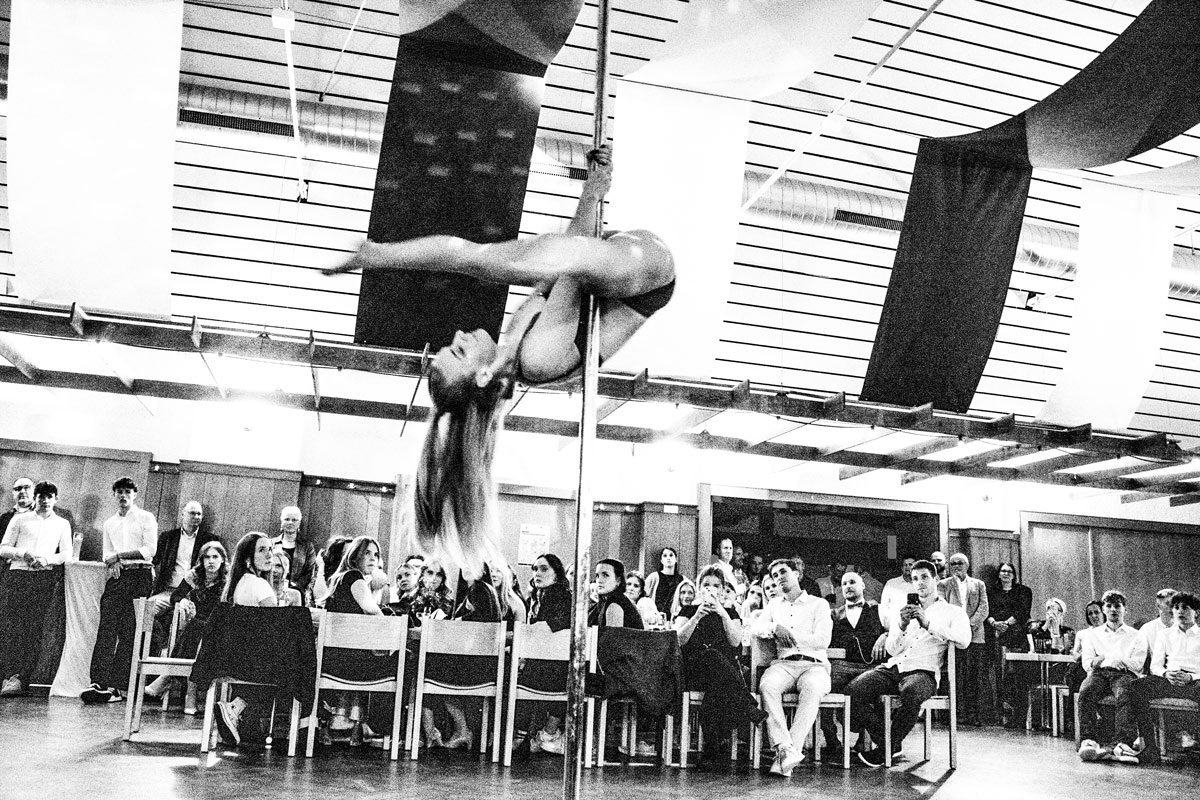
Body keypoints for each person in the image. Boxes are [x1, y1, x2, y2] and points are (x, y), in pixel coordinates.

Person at [327, 147, 674, 572]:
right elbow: (572, 262)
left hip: (611, 259)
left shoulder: (514, 345)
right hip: (648, 271)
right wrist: (591, 195)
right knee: (491, 260)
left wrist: (591, 193)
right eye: (459, 351)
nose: (458, 335)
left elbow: (570, 256)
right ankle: (379, 255)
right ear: (482, 376)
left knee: (485, 259)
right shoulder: (538, 360)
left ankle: (377, 254)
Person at [847, 559, 970, 767]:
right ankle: (891, 744)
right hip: (894, 667)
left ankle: (885, 749)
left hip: (923, 672)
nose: (919, 582)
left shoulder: (952, 612)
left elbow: (964, 640)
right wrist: (902, 625)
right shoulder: (903, 611)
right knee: (853, 691)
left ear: (935, 579)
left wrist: (928, 624)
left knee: (911, 692)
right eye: (915, 579)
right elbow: (891, 650)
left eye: (924, 577)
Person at [674, 564, 766, 770]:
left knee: (716, 685)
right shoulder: (688, 610)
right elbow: (677, 641)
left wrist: (722, 613)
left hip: (722, 676)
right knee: (712, 656)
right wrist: (697, 617)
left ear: (723, 589)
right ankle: (746, 704)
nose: (711, 589)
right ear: (699, 588)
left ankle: (711, 751)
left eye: (716, 585)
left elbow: (735, 641)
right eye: (706, 585)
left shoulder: (730, 613)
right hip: (694, 671)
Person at [752, 558, 832, 777]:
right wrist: (775, 627)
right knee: (767, 685)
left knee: (813, 688)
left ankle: (787, 754)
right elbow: (756, 627)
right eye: (775, 575)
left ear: (797, 573)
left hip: (814, 665)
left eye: (783, 572)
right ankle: (785, 749)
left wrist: (792, 636)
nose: (779, 578)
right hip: (784, 664)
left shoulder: (818, 604)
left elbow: (823, 640)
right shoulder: (774, 605)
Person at [81, 477, 158, 705]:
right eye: (120, 492)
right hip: (118, 576)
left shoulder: (146, 517)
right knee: (106, 629)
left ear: (135, 494)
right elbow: (106, 553)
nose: (123, 496)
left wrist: (119, 556)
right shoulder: (109, 523)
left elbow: (149, 550)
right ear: (114, 495)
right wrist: (113, 561)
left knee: (129, 631)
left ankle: (118, 686)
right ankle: (99, 682)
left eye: (127, 492)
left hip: (141, 575)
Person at [0, 482, 75, 697]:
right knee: (13, 627)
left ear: (55, 499)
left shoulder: (62, 523)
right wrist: (23, 554)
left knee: (34, 628)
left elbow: (66, 553)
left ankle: (22, 678)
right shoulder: (20, 519)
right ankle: (9, 675)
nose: (45, 500)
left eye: (49, 496)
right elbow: (3, 548)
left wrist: (46, 559)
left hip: (43, 578)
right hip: (18, 576)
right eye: (41, 496)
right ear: (36, 498)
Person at [321, 536, 392, 747]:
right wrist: (392, 628)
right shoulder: (354, 576)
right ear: (354, 556)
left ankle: (359, 725)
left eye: (376, 554)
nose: (372, 558)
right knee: (405, 660)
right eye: (367, 553)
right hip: (350, 662)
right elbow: (371, 610)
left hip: (334, 658)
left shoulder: (339, 579)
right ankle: (385, 729)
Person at [143, 539, 228, 714]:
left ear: (222, 560)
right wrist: (182, 600)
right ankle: (190, 694)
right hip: (198, 626)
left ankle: (168, 677)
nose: (211, 561)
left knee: (198, 628)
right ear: (201, 560)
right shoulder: (194, 575)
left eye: (215, 557)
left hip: (219, 628)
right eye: (206, 557)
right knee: (196, 628)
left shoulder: (228, 579)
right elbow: (175, 596)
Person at [213, 532, 278, 746]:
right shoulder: (259, 585)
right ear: (248, 559)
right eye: (262, 550)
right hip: (254, 661)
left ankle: (241, 715)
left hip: (236, 655)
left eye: (270, 549)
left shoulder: (239, 583)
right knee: (294, 665)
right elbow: (276, 623)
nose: (269, 555)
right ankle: (237, 707)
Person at [819, 571, 888, 757]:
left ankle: (870, 741)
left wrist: (885, 635)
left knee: (875, 694)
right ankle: (832, 740)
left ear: (863, 586)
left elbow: (898, 631)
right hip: (842, 666)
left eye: (852, 582)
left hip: (872, 667)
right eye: (844, 583)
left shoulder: (879, 609)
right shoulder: (833, 614)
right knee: (823, 689)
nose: (848, 586)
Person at [1127, 591, 1200, 765]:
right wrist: (1166, 674)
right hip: (1170, 679)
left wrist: (1191, 677)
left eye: (1185, 607)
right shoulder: (1165, 634)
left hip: (1194, 681)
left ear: (1196, 612)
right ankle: (1150, 748)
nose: (1180, 611)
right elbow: (1156, 666)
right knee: (1136, 687)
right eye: (1176, 607)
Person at [1077, 590, 1147, 763]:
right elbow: (1087, 663)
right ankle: (1089, 741)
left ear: (1125, 609)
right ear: (1104, 609)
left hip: (1124, 674)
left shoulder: (1137, 635)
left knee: (1125, 695)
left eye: (1117, 606)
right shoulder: (1093, 634)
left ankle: (1122, 744)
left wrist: (1110, 659)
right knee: (1085, 692)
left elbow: (1138, 664)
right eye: (1109, 606)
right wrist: (1110, 660)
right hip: (1099, 673)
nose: (1113, 609)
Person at [937, 553, 989, 726]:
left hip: (975, 636)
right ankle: (954, 714)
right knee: (955, 676)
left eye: (960, 563)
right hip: (953, 638)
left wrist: (968, 625)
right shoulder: (943, 584)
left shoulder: (979, 584)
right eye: (953, 563)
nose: (957, 566)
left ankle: (973, 715)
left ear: (967, 565)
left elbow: (984, 608)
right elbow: (942, 608)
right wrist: (958, 628)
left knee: (974, 677)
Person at [148, 501, 216, 620]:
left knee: (183, 617)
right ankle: (152, 633)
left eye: (199, 514)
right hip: (168, 592)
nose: (196, 517)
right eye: (192, 513)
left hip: (193, 594)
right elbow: (154, 560)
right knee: (146, 609)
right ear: (183, 515)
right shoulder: (168, 537)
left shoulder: (209, 540)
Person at [986, 561, 1032, 726]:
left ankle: (1017, 717)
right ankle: (1000, 715)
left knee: (1015, 677)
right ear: (999, 574)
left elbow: (1023, 611)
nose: (1005, 574)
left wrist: (1005, 624)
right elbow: (987, 611)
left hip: (1016, 637)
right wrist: (995, 624)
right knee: (997, 677)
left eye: (1009, 571)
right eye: (1003, 571)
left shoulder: (1023, 591)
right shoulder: (991, 592)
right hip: (995, 637)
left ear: (1014, 575)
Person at [271, 506, 317, 604]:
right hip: (273, 592)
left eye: (294, 520)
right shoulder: (271, 543)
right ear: (282, 522)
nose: (290, 522)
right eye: (287, 519)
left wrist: (295, 588)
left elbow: (310, 571)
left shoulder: (307, 546)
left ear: (299, 523)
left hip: (298, 594)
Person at [587, 558, 644, 630]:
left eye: (605, 575)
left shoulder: (615, 605)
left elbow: (612, 636)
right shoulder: (602, 603)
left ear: (618, 580)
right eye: (597, 575)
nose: (599, 580)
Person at [642, 547, 684, 617]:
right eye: (665, 556)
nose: (668, 558)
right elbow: (643, 595)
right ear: (661, 560)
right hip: (657, 617)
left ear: (676, 559)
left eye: (671, 555)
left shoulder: (682, 579)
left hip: (676, 617)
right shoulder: (654, 577)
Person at [1140, 588, 1179, 657]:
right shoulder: (1147, 629)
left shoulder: (1185, 627)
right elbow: (1140, 655)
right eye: (1168, 603)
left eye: (1175, 604)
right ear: (1158, 605)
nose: (1172, 607)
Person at [880, 557, 917, 627]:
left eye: (910, 564)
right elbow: (884, 606)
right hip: (894, 625)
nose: (907, 567)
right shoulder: (891, 583)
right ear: (902, 568)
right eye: (905, 565)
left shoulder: (920, 585)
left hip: (914, 626)